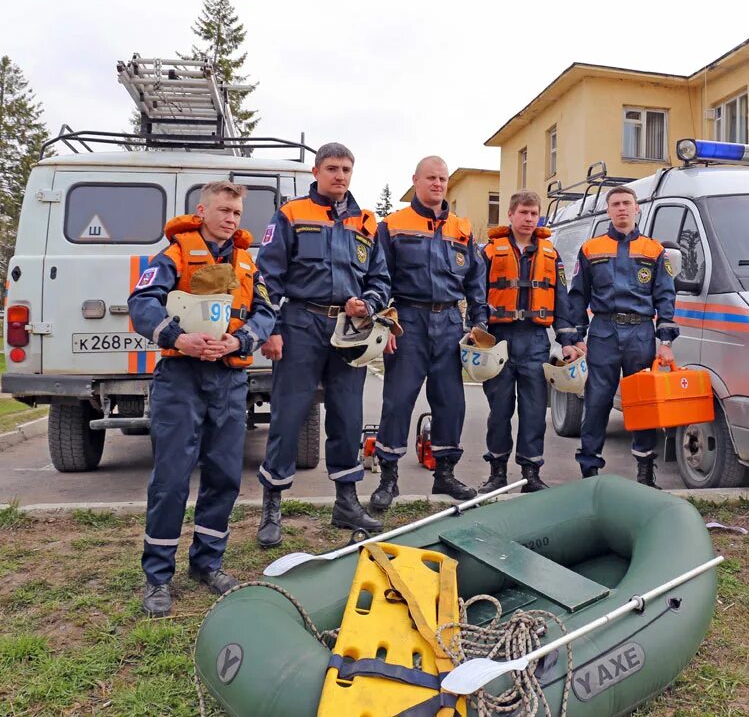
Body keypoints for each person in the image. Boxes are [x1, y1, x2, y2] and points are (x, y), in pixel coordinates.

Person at [128, 181, 275, 617]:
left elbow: (267, 313)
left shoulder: (248, 263)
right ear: (202, 210)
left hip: (228, 381)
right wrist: (179, 338)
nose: (231, 218)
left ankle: (208, 562)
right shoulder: (173, 255)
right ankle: (158, 577)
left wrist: (240, 341)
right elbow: (142, 303)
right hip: (181, 377)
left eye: (236, 212)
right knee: (171, 479)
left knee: (225, 475)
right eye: (223, 210)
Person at [254, 142, 389, 547]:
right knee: (288, 416)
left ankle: (346, 502)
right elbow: (267, 276)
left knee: (347, 418)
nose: (340, 175)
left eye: (347, 169)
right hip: (299, 324)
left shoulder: (367, 223)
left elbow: (381, 279)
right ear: (316, 171)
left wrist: (368, 302)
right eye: (332, 168)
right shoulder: (292, 214)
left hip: (349, 331)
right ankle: (272, 506)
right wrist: (271, 328)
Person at [370, 156, 488, 510]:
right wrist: (385, 320)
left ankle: (445, 474)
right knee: (398, 400)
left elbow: (475, 282)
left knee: (451, 402)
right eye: (431, 178)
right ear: (415, 181)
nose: (438, 184)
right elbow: (379, 278)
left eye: (443, 178)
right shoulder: (392, 226)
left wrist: (478, 324)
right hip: (409, 321)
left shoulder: (461, 229)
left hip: (450, 323)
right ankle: (388, 479)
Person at [569, 185, 679, 488]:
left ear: (637, 208)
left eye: (626, 203)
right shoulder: (591, 249)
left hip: (641, 332)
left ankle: (645, 474)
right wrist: (578, 337)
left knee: (642, 403)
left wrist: (666, 342)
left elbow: (666, 296)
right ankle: (588, 473)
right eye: (615, 204)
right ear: (608, 210)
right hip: (603, 331)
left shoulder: (654, 250)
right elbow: (578, 295)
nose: (621, 209)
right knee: (597, 401)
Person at [477, 190, 584, 494]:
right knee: (499, 410)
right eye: (522, 212)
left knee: (535, 410)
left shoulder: (551, 255)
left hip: (536, 340)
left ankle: (530, 473)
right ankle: (496, 473)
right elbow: (476, 294)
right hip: (499, 340)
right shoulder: (488, 252)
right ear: (510, 215)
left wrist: (567, 340)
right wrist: (476, 330)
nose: (527, 218)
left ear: (539, 217)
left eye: (533, 213)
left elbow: (561, 299)